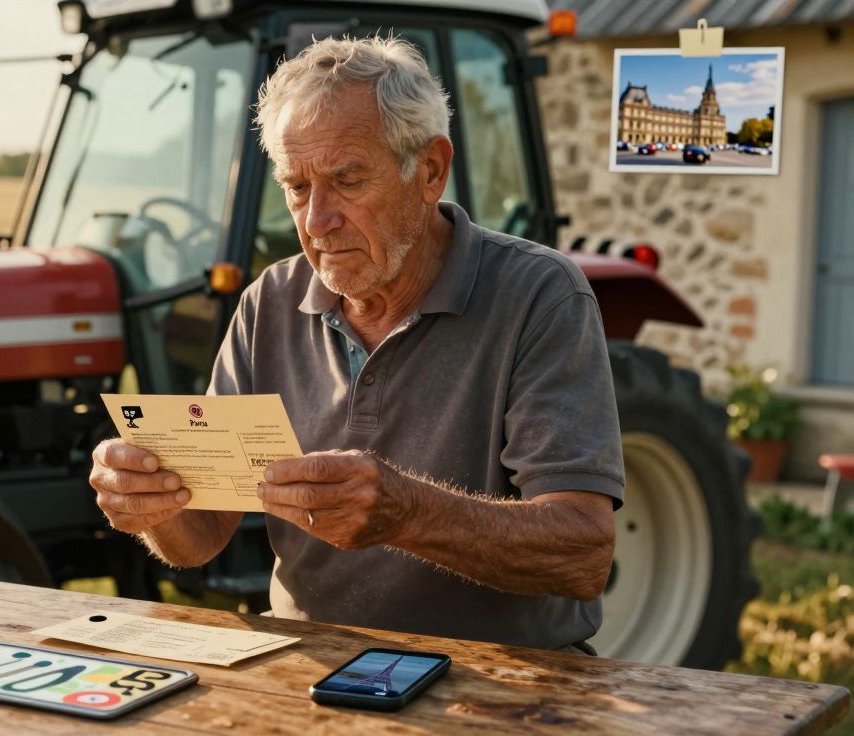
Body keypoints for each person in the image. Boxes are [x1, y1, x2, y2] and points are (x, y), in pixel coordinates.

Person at [89, 36, 623, 654]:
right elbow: (203, 534)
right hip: (310, 663)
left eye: (346, 179)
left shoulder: (541, 295)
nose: (316, 220)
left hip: (507, 679)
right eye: (296, 186)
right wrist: (153, 504)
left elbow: (583, 554)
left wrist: (409, 513)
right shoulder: (270, 302)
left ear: (429, 170)